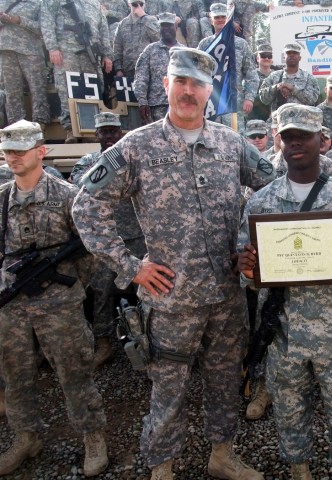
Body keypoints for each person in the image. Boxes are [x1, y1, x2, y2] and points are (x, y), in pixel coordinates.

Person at [71, 46, 274, 480]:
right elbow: (86, 207)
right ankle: (162, 467)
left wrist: (259, 248)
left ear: (209, 91)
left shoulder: (230, 144)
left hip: (225, 296)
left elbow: (274, 189)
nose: (188, 91)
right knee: (168, 391)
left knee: (224, 385)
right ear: (165, 85)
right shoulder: (136, 146)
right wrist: (130, 266)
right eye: (179, 81)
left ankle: (222, 456)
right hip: (170, 300)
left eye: (197, 83)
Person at [237, 103, 332, 480]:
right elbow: (248, 276)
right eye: (288, 136)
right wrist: (247, 269)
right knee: (289, 413)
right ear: (279, 141)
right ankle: (300, 471)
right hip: (283, 334)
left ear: (323, 139)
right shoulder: (261, 203)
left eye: (304, 135)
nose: (296, 142)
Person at [0, 121, 108, 476]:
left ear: (40, 152)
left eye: (20, 149)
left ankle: (92, 436)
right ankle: (26, 436)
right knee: (15, 374)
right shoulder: (2, 200)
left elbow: (89, 252)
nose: (12, 156)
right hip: (12, 305)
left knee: (73, 371)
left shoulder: (67, 197)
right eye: (8, 150)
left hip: (59, 306)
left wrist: (68, 288)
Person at [69, 112, 146, 367]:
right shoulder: (89, 161)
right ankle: (103, 341)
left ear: (120, 132)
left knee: (145, 293)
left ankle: (146, 342)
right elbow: (81, 187)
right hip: (105, 242)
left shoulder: (132, 160)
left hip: (136, 239)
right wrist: (107, 165)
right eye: (104, 131)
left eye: (113, 131)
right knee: (101, 292)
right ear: (97, 134)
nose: (109, 136)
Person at [40, 0, 113, 143]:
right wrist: (52, 47)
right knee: (66, 90)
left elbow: (103, 30)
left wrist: (107, 55)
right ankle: (71, 130)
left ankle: (92, 128)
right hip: (66, 52)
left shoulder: (94, 4)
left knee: (92, 91)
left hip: (91, 54)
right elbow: (47, 23)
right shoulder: (54, 2)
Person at [199, 2, 259, 132]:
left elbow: (251, 74)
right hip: (210, 101)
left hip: (234, 102)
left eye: (223, 17)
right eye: (217, 17)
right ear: (211, 20)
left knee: (236, 139)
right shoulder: (205, 45)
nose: (220, 20)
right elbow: (197, 72)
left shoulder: (241, 44)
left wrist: (249, 98)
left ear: (228, 19)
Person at [0, 0, 50, 127]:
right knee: (12, 92)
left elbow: (44, 28)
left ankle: (40, 124)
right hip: (6, 50)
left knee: (38, 89)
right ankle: (16, 126)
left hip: (31, 51)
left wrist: (19, 20)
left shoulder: (38, 3)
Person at [134, 12, 184, 124]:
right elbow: (140, 79)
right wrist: (142, 103)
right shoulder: (150, 50)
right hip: (157, 107)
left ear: (175, 27)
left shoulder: (185, 52)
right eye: (163, 25)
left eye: (169, 25)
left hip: (180, 105)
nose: (166, 28)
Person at [259, 43, 320, 114]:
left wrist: (293, 89)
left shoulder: (308, 77)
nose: (292, 55)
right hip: (279, 120)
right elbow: (264, 99)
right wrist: (276, 87)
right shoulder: (274, 76)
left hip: (302, 121)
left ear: (300, 57)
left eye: (295, 53)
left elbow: (312, 100)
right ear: (284, 57)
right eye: (288, 53)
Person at [113, 0, 160, 80]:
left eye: (141, 4)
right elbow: (117, 48)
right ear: (129, 5)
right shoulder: (123, 24)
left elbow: (158, 39)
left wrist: (144, 17)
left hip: (148, 69)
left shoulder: (151, 20)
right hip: (129, 70)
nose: (138, 7)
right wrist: (118, 69)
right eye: (135, 4)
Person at [248, 42, 280, 122]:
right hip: (255, 119)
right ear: (257, 58)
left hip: (276, 118)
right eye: (263, 56)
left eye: (269, 56)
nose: (266, 58)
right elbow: (248, 97)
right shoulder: (250, 76)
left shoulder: (279, 76)